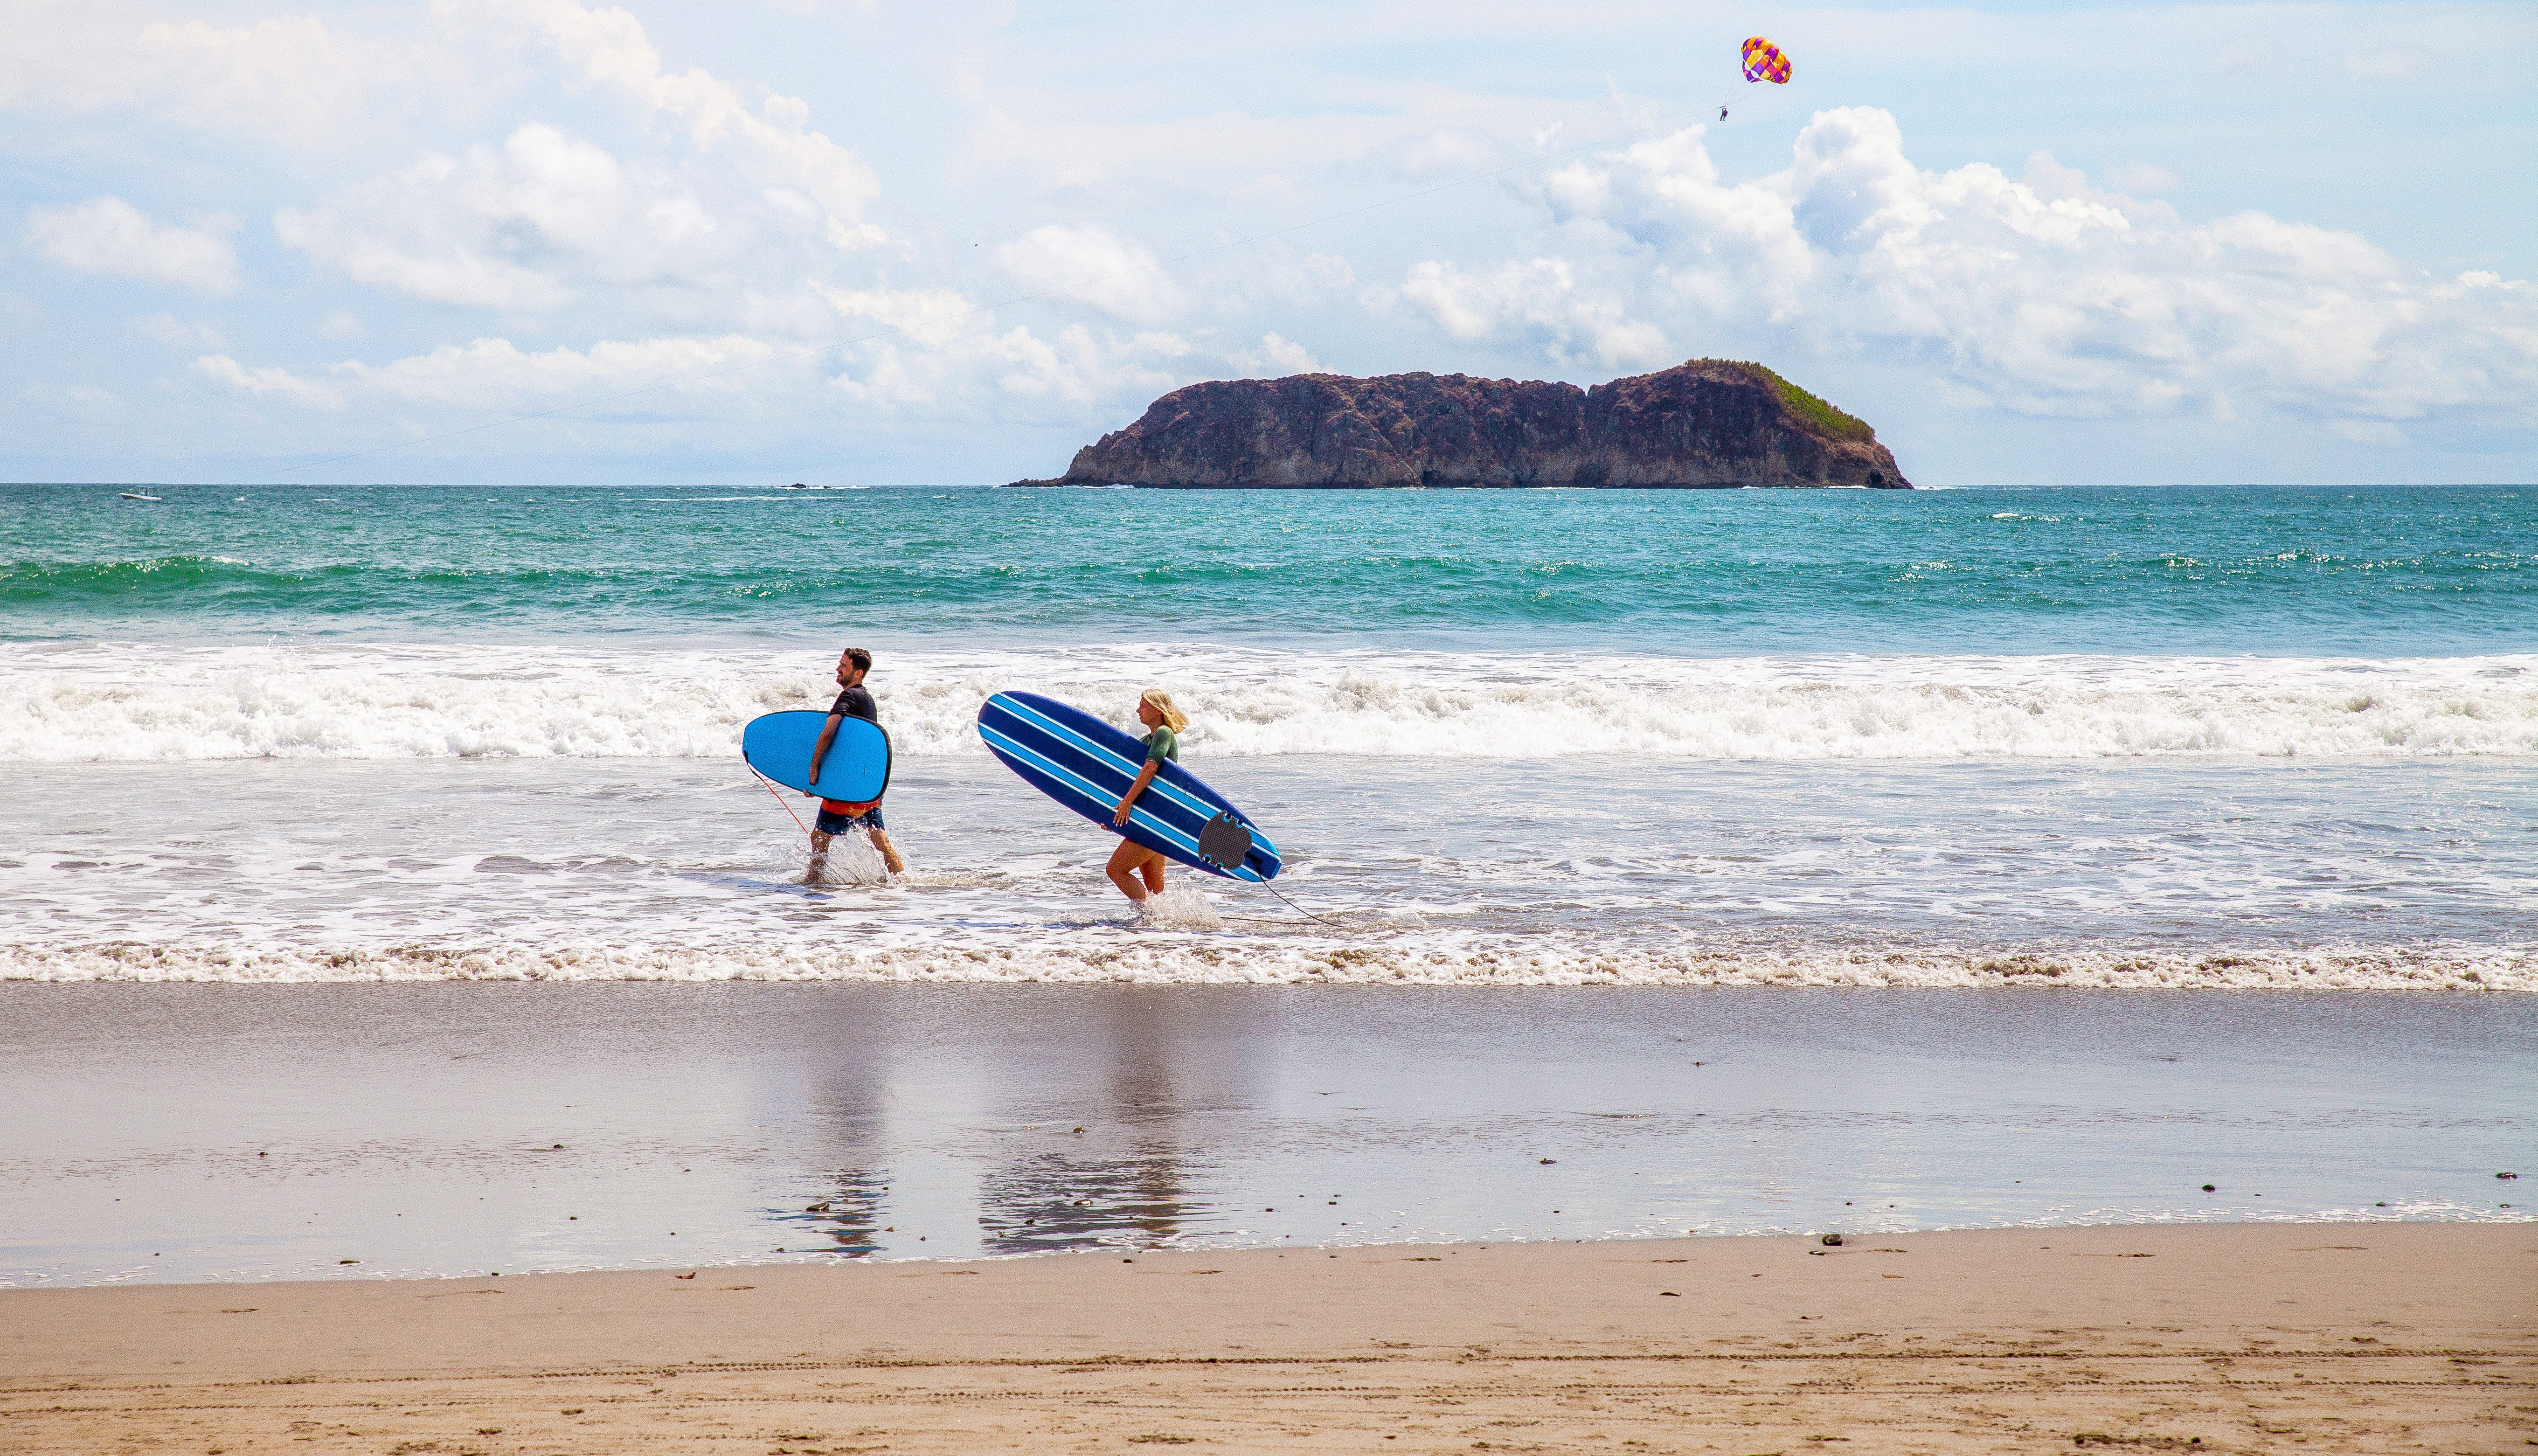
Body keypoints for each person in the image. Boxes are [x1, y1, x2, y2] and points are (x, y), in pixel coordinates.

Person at [805, 646, 906, 880]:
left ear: (858, 673)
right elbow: (859, 748)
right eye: (840, 664)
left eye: (844, 666)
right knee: (880, 841)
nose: (838, 669)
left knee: (819, 839)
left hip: (849, 787)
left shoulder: (849, 696)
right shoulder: (867, 700)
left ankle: (814, 884)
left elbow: (828, 734)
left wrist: (814, 771)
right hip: (868, 785)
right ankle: (903, 882)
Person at [1106, 688, 1189, 916]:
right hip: (1152, 817)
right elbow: (1127, 778)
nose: (1138, 710)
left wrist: (1127, 802)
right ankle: (1164, 928)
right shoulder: (1146, 740)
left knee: (1116, 870)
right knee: (1154, 887)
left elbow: (1150, 768)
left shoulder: (1164, 733)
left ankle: (1150, 919)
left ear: (1158, 710)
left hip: (1153, 820)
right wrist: (1110, 813)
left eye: (1143, 706)